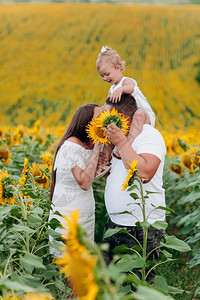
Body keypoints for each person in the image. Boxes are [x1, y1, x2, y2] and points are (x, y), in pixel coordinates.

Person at [101, 94, 166, 284]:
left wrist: (122, 143)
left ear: (122, 118)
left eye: (108, 119)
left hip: (141, 227)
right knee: (109, 286)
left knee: (138, 286)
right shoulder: (117, 140)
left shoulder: (150, 136)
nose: (105, 125)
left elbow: (144, 173)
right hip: (114, 224)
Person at [49, 103, 102, 254]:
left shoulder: (89, 145)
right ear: (86, 122)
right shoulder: (71, 146)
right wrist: (97, 149)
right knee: (67, 260)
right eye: (98, 118)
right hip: (68, 213)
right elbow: (84, 182)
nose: (102, 122)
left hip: (85, 212)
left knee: (83, 261)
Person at [96, 46, 155, 159]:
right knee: (109, 126)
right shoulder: (112, 89)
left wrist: (121, 89)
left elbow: (131, 88)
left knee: (139, 114)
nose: (104, 78)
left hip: (144, 116)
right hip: (126, 119)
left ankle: (128, 143)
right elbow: (108, 105)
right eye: (101, 76)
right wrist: (98, 111)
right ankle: (105, 158)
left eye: (107, 74)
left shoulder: (126, 81)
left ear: (118, 68)